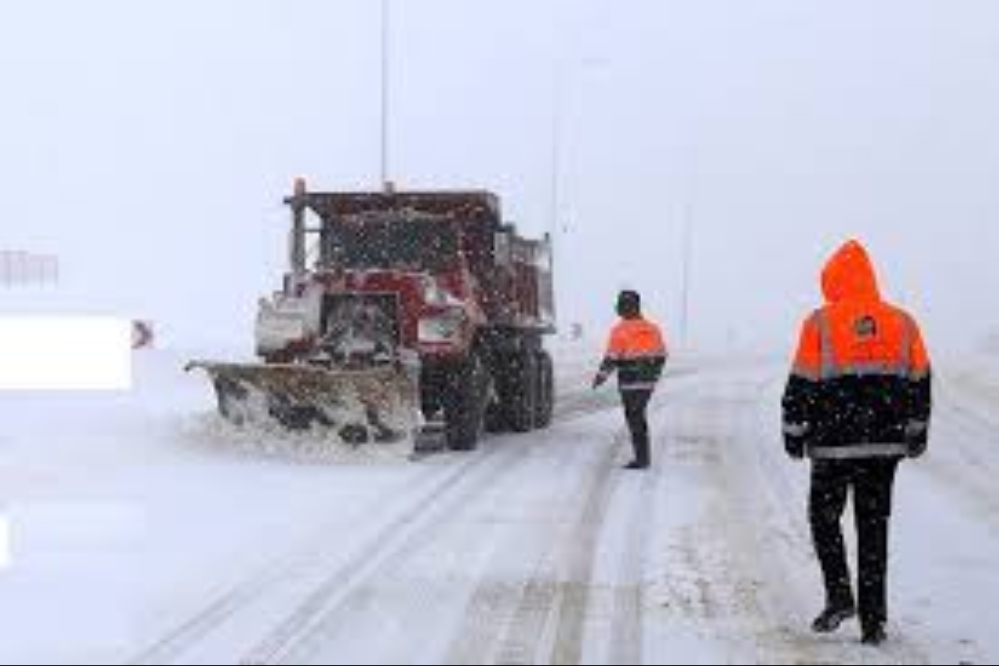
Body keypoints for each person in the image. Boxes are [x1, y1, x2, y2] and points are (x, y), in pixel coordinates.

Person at [782, 240, 932, 646]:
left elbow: (801, 383)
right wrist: (916, 432)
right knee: (873, 528)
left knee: (824, 519)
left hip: (832, 445)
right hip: (883, 449)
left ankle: (839, 594)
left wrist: (793, 432)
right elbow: (920, 382)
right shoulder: (903, 322)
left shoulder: (821, 323)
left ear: (832, 281)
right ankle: (874, 622)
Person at [593, 290, 669, 470]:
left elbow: (612, 357)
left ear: (622, 309)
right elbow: (662, 355)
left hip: (629, 381)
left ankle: (642, 459)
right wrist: (654, 374)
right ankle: (643, 456)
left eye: (620, 306)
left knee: (634, 418)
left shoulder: (619, 330)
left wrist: (601, 376)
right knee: (638, 416)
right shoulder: (653, 328)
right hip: (647, 382)